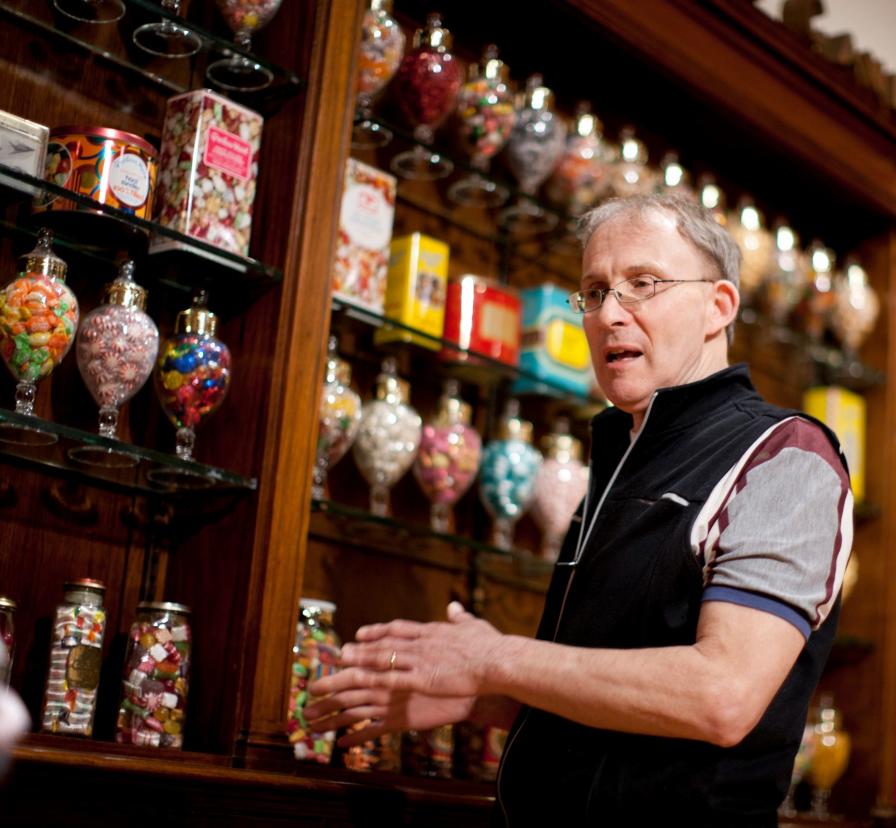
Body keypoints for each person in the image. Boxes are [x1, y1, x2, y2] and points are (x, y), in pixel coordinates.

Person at [305, 193, 854, 825]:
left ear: (718, 305)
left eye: (642, 284)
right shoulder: (620, 459)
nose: (610, 313)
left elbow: (720, 697)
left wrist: (496, 659)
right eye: (594, 292)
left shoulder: (786, 456)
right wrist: (480, 694)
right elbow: (617, 712)